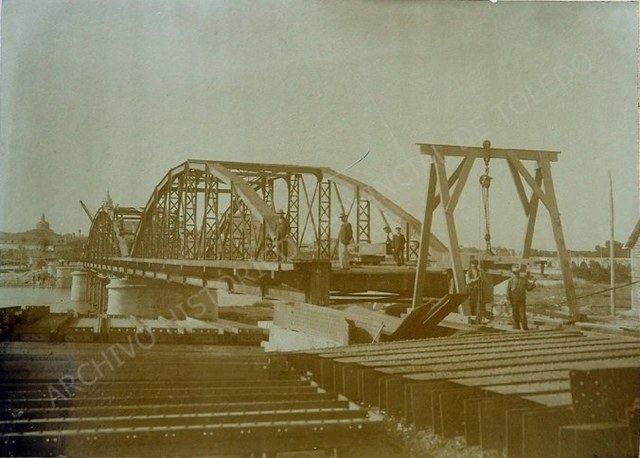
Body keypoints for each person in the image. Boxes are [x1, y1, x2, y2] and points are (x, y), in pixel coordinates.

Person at [507, 265, 536, 330]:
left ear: (519, 272)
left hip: (521, 300)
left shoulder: (524, 280)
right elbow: (508, 291)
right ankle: (516, 328)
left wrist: (533, 284)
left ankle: (525, 328)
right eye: (515, 272)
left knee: (522, 314)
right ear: (513, 273)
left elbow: (528, 288)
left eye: (517, 272)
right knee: (515, 314)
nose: (516, 274)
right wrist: (508, 300)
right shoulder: (510, 280)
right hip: (513, 300)